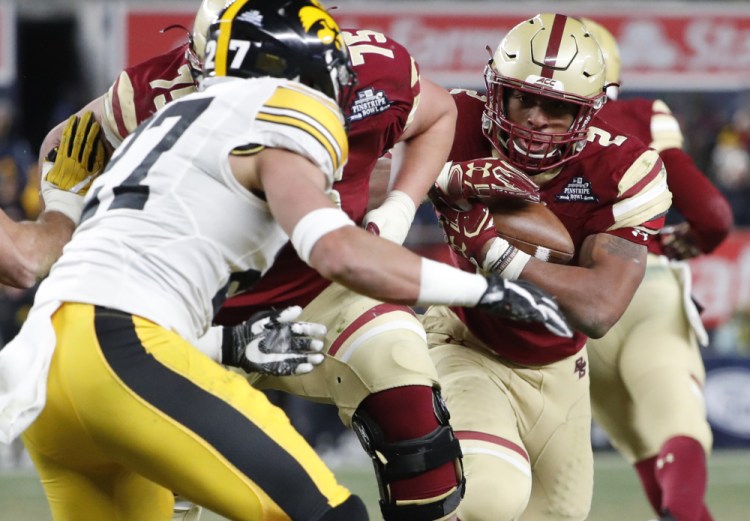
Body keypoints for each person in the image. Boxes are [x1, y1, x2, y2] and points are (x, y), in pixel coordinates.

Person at [0, 2, 570, 521]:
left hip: (55, 354)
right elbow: (339, 251)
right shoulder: (275, 116)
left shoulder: (187, 116)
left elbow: (45, 244)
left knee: (398, 374)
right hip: (149, 343)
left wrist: (397, 209)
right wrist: (487, 289)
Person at [420, 13, 673, 521]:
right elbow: (357, 176)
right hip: (468, 341)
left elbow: (600, 308)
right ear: (498, 91)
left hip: (561, 367)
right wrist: (444, 175)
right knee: (488, 498)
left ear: (588, 111)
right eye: (523, 98)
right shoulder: (456, 116)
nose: (536, 117)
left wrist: (497, 254)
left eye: (557, 106)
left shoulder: (624, 168)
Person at [581, 18, 733, 521]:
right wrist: (687, 241)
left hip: (576, 306)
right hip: (644, 283)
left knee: (646, 456)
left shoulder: (517, 128)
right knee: (677, 433)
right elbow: (712, 214)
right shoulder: (640, 114)